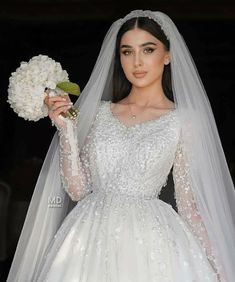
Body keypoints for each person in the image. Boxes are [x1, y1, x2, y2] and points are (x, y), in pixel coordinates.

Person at [7, 10, 235, 282]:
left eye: (148, 49)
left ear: (167, 55)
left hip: (152, 244)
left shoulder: (184, 121)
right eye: (127, 52)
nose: (137, 62)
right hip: (87, 238)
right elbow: (78, 189)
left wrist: (221, 269)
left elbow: (189, 205)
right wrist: (67, 131)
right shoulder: (99, 113)